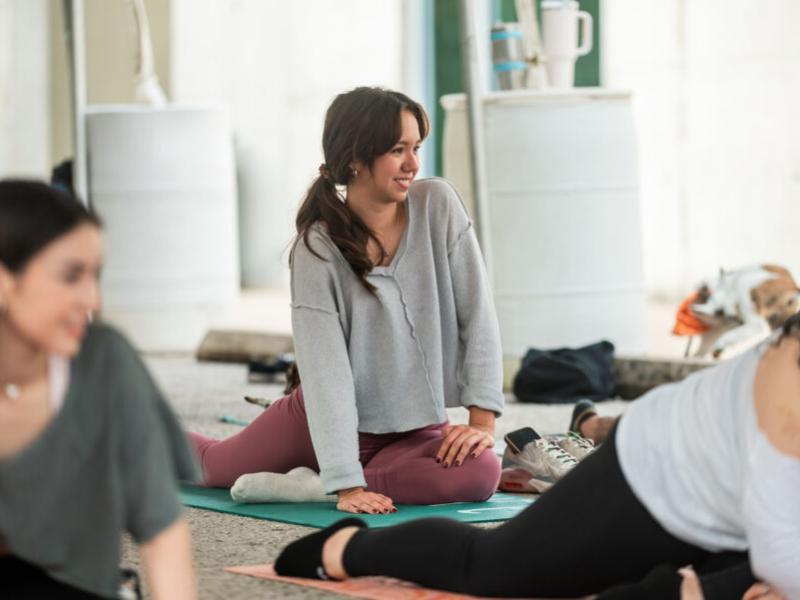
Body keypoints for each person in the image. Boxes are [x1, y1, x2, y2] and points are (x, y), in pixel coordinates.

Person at [274, 313, 800, 599]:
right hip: (655, 475)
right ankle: (344, 549)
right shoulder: (791, 381)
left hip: (740, 521)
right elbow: (782, 554)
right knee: (494, 572)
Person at [188, 86, 504, 514]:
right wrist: (346, 481)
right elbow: (325, 372)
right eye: (397, 150)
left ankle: (307, 487)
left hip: (417, 428)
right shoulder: (318, 249)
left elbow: (478, 315)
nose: (413, 164)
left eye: (416, 147)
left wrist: (481, 421)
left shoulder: (439, 207)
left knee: (481, 471)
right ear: (356, 158)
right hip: (324, 425)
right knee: (211, 467)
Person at [0, 180, 198, 599]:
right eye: (71, 276)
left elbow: (162, 533)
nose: (93, 299)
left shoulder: (106, 362)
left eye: (96, 276)